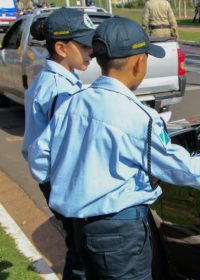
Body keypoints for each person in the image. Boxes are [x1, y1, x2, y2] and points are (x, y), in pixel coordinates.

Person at [27, 16, 200, 279]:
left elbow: (39, 158)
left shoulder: (73, 102)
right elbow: (184, 170)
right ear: (139, 63)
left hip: (82, 229)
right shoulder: (139, 117)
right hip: (120, 235)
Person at [21, 7, 95, 280]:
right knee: (81, 253)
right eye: (86, 45)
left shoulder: (59, 78)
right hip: (62, 178)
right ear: (61, 48)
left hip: (54, 176)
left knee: (79, 248)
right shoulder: (58, 89)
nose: (92, 52)